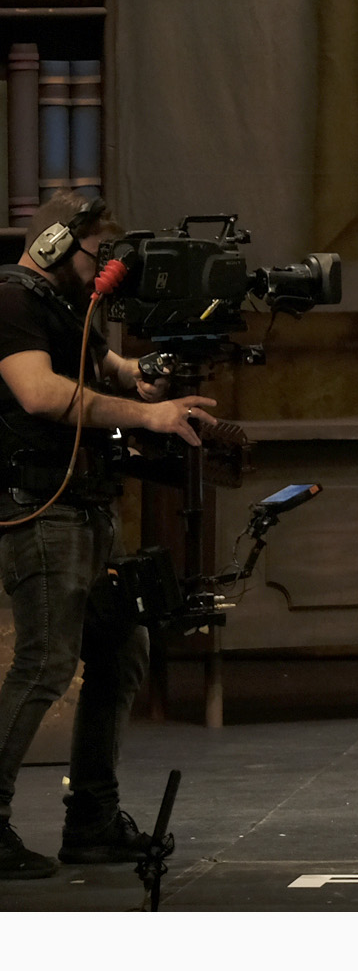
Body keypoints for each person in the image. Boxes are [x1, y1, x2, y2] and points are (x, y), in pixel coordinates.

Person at [0, 193, 213, 878]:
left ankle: (91, 819)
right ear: (56, 244)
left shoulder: (68, 306)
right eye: (99, 256)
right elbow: (38, 392)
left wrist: (154, 377)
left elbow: (115, 373)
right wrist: (145, 417)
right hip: (41, 508)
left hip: (87, 507)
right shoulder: (11, 299)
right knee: (45, 664)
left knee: (122, 650)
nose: (107, 272)